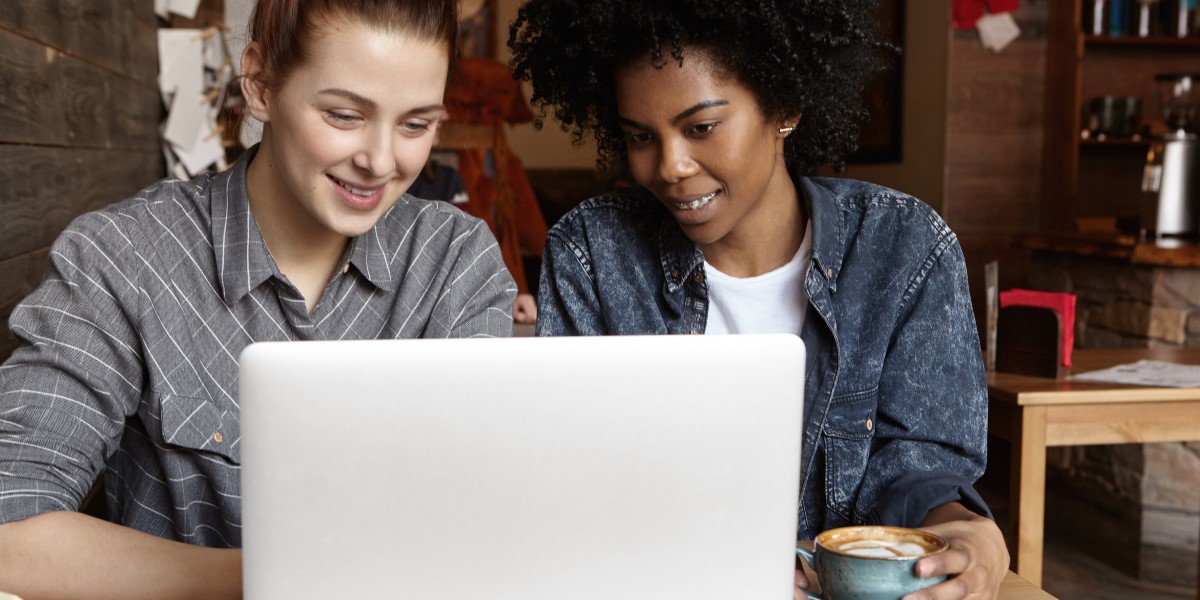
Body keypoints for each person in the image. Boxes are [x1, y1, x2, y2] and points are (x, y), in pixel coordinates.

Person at [0, 0, 515, 597]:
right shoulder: (125, 255)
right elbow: (10, 523)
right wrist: (274, 581)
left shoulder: (454, 260)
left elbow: (475, 516)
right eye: (345, 115)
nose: (380, 162)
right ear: (261, 84)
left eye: (416, 125)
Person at [508, 1, 1009, 598]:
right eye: (640, 137)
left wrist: (964, 530)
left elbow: (922, 470)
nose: (670, 167)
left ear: (783, 105)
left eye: (701, 128)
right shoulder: (592, 253)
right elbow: (576, 481)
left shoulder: (905, 249)